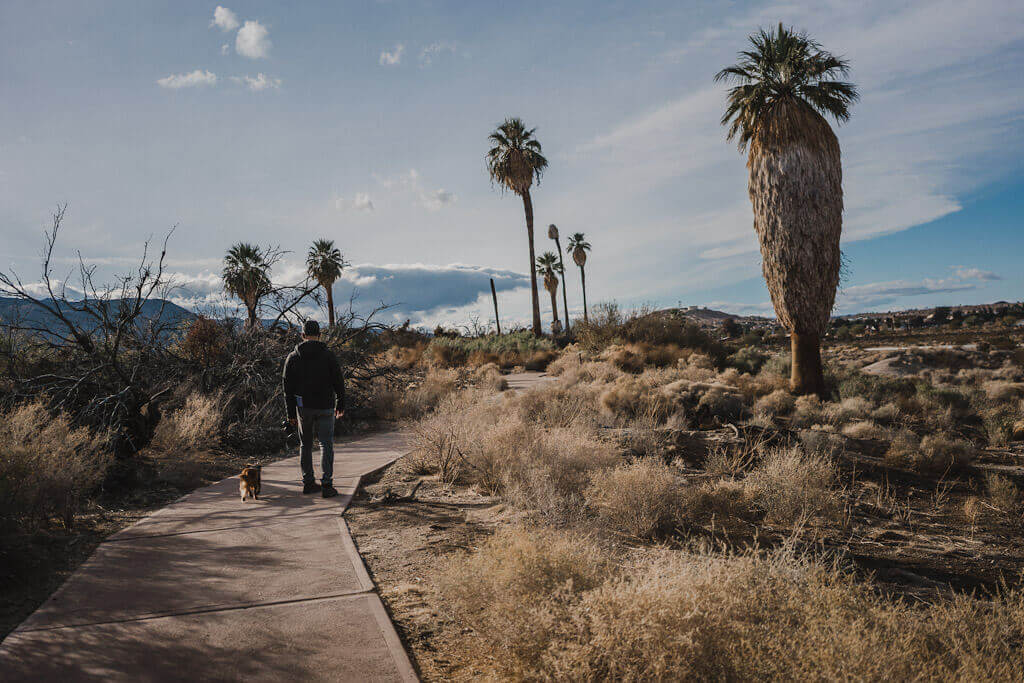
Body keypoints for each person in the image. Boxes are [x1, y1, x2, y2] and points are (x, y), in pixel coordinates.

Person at [283, 320, 345, 497]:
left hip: (304, 408)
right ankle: (327, 485)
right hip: (325, 406)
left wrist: (290, 414)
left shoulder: (293, 358)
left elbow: (287, 389)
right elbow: (338, 381)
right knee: (326, 444)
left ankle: (308, 483)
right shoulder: (328, 355)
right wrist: (341, 403)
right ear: (319, 335)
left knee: (306, 444)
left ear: (302, 335)